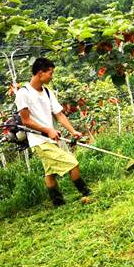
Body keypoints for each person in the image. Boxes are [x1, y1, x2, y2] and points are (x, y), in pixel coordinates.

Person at [15, 57, 91, 206]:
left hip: (50, 139)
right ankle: (85, 191)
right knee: (72, 163)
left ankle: (57, 202)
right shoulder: (23, 93)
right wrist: (48, 130)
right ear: (40, 73)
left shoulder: (47, 92)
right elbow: (26, 121)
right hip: (39, 140)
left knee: (50, 173)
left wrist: (73, 131)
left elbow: (59, 114)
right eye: (50, 73)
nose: (52, 76)